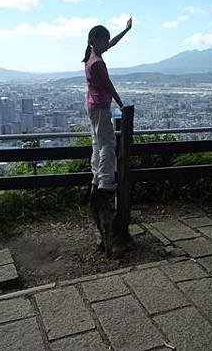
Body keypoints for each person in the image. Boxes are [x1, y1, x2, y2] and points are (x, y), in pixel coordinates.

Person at [84, 18, 132, 252]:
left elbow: (112, 44)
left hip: (92, 106)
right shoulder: (97, 64)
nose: (106, 43)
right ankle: (105, 181)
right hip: (101, 108)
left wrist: (127, 30)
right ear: (95, 40)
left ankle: (97, 176)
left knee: (97, 143)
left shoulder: (91, 57)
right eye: (103, 39)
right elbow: (109, 85)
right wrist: (121, 104)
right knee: (107, 144)